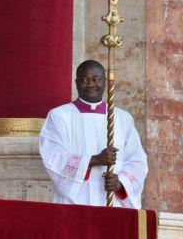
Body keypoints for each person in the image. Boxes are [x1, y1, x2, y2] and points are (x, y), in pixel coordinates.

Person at [39, 60, 148, 208]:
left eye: (96, 79)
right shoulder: (59, 116)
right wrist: (94, 160)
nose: (91, 85)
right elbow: (52, 157)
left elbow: (137, 161)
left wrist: (121, 183)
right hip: (74, 205)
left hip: (112, 204)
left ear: (105, 82)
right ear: (76, 83)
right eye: (85, 80)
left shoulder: (122, 118)